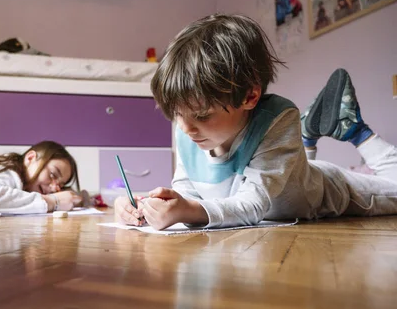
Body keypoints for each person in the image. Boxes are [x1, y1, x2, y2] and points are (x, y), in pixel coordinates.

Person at [115, 14, 397, 230]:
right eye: (177, 114)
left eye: (202, 116)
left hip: (327, 191)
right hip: (287, 176)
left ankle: (356, 132)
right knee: (289, 167)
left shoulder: (278, 119)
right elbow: (189, 191)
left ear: (249, 96)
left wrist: (189, 211)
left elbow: (253, 205)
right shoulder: (189, 128)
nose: (185, 128)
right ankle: (306, 140)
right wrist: (150, 206)